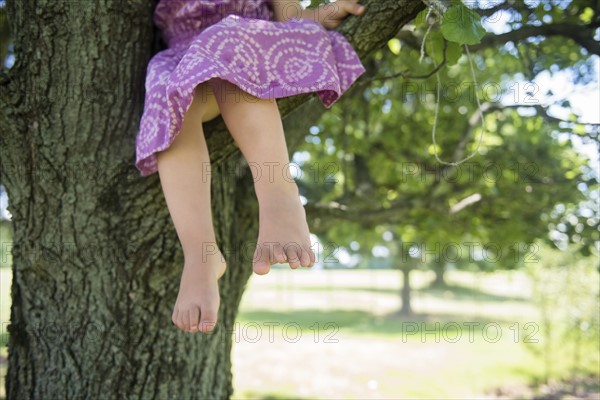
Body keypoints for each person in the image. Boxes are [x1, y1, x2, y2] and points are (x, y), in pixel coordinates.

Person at [135, 0, 366, 333]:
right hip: (186, 64)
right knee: (169, 99)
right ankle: (200, 254)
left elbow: (292, 17)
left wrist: (324, 14)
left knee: (226, 41)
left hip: (247, 48)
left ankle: (279, 197)